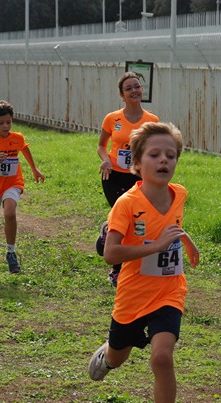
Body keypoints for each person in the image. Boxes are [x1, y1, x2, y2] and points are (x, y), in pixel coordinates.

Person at [88, 122, 200, 403]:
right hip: (133, 293)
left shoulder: (180, 194)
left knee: (162, 358)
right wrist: (159, 246)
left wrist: (186, 241)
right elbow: (111, 254)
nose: (164, 160)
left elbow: (170, 227)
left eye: (170, 155)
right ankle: (108, 357)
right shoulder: (126, 204)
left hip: (168, 290)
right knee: (119, 354)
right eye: (154, 155)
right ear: (136, 162)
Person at [96, 71, 160, 287]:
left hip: (138, 179)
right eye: (129, 88)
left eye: (137, 86)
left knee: (137, 222)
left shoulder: (152, 121)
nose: (134, 90)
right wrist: (105, 160)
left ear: (142, 90)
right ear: (122, 95)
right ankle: (117, 270)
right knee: (125, 221)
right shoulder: (112, 118)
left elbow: (155, 149)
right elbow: (101, 146)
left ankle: (109, 230)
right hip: (113, 176)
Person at [0, 100, 45, 273]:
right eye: (1, 123)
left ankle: (10, 253)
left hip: (13, 183)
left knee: (10, 213)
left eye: (8, 122)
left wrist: (34, 169)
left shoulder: (17, 138)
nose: (6, 126)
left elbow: (25, 149)